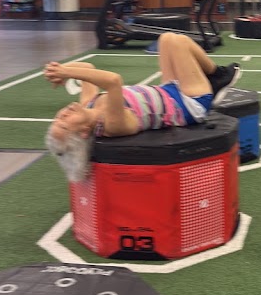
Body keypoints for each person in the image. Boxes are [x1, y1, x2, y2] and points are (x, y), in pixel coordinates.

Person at [44, 32, 240, 182]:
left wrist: (60, 71)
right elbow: (113, 81)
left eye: (58, 118)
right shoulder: (111, 124)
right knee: (178, 42)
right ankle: (218, 76)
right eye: (64, 124)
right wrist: (67, 72)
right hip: (189, 104)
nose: (63, 114)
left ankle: (212, 77)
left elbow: (87, 69)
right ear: (84, 132)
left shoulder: (88, 104)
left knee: (166, 39)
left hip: (168, 91)